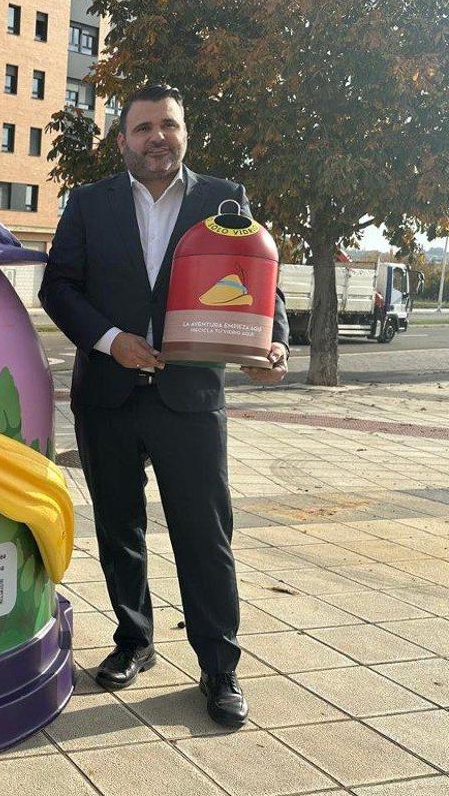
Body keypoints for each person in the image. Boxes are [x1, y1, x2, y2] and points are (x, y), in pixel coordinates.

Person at [40, 84, 289, 727]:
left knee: (205, 537)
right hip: (109, 395)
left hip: (191, 398)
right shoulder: (89, 204)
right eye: (144, 128)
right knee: (119, 528)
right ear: (122, 140)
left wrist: (277, 344)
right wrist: (109, 339)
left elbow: (261, 286)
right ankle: (134, 641)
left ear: (185, 132)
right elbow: (58, 286)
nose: (158, 138)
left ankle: (220, 667)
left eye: (168, 126)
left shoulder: (222, 200)